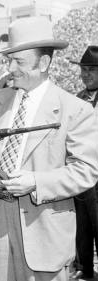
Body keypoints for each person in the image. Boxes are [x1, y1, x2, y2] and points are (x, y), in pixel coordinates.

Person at [0, 17, 98, 281]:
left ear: (44, 63)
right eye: (9, 60)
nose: (11, 68)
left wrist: (36, 182)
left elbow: (87, 170)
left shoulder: (75, 109)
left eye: (20, 61)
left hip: (44, 228)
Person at [69, 45, 98, 280]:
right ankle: (84, 268)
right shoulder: (78, 98)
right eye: (83, 69)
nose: (85, 74)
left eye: (91, 69)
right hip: (81, 170)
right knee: (82, 223)